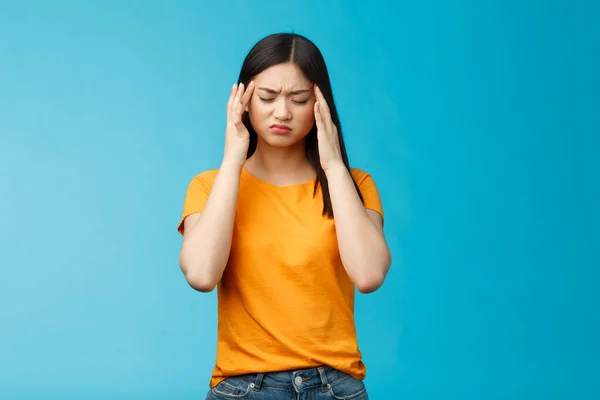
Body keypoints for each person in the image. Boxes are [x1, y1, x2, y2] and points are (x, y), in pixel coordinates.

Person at [177, 33, 391, 400]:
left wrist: (334, 165)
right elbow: (200, 274)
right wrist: (232, 160)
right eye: (267, 97)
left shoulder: (354, 185)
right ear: (243, 100)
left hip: (334, 388)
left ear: (320, 103)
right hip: (243, 387)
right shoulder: (210, 186)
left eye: (299, 99)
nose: (282, 112)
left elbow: (369, 275)